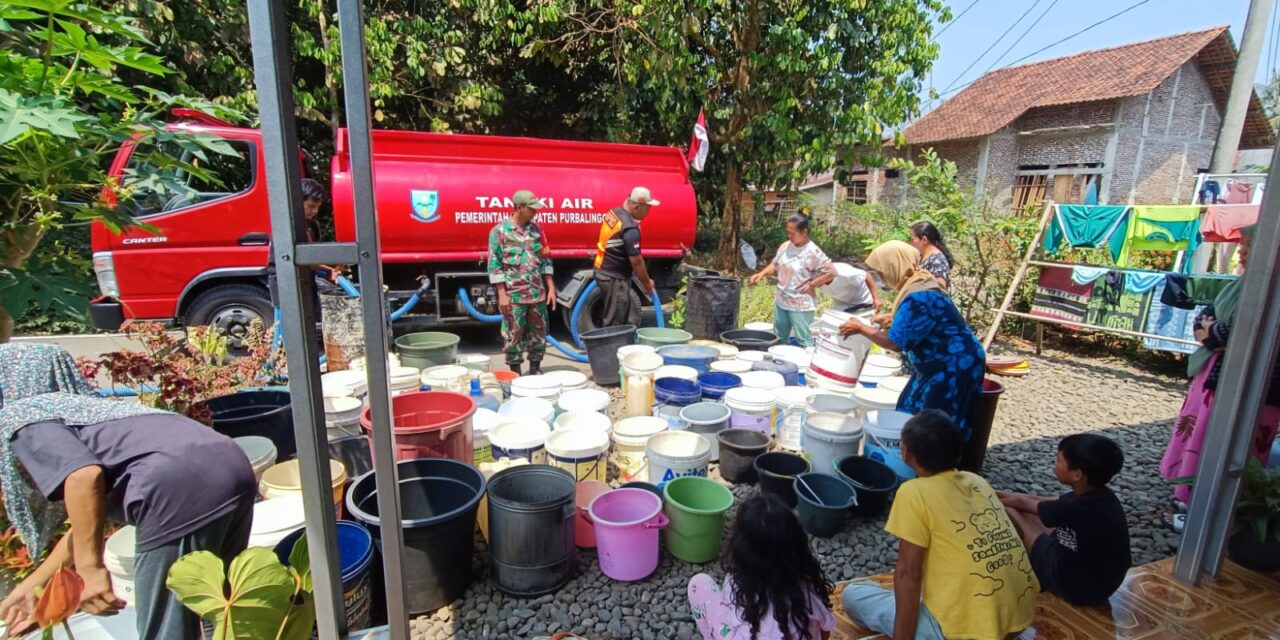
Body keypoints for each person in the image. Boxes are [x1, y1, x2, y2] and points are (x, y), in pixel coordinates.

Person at [0, 343, 257, 640]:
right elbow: (87, 518)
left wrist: (90, 569)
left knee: (166, 632)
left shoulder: (21, 417)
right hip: (228, 465)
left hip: (175, 491)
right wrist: (31, 585)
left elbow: (84, 478)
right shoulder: (84, 408)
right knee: (222, 613)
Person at [843, 410, 1037, 640]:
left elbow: (908, 573)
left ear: (905, 453)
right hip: (1018, 621)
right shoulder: (977, 482)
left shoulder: (913, 493)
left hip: (965, 633)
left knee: (854, 595)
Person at [1161, 223, 1280, 508]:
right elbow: (1204, 320)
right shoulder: (1239, 285)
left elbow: (1239, 335)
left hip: (1255, 383)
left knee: (1233, 439)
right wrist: (1212, 334)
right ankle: (1188, 492)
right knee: (1201, 432)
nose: (1240, 250)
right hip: (1214, 374)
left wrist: (1212, 335)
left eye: (1247, 246)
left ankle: (1221, 503)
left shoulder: (1270, 292)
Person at [838, 240, 985, 435]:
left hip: (954, 366)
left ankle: (935, 464)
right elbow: (923, 319)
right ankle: (914, 459)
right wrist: (892, 318)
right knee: (908, 408)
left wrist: (861, 328)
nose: (880, 277)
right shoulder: (919, 281)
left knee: (934, 427)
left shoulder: (920, 294)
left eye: (881, 271)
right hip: (936, 364)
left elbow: (895, 343)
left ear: (894, 265)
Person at [999, 434, 1131, 606]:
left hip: (1076, 585)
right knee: (1031, 513)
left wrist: (989, 499)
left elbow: (1021, 503)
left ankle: (1023, 575)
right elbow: (1038, 500)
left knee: (1011, 512)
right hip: (1102, 579)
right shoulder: (1100, 497)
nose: (1055, 464)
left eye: (1058, 460)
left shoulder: (1074, 508)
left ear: (1077, 474)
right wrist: (998, 493)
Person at [688, 493, 835, 640]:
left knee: (698, 584)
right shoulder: (808, 589)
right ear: (798, 546)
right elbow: (826, 631)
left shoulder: (737, 585)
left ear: (742, 550)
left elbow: (730, 616)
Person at [488, 189, 556, 375]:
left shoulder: (537, 230)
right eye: (531, 208)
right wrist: (502, 294)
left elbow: (546, 258)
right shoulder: (499, 232)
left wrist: (550, 287)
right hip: (514, 295)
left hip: (537, 293)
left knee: (539, 334)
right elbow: (494, 265)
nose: (536, 211)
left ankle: (535, 369)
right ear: (519, 207)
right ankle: (516, 375)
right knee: (513, 336)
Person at [748, 211, 835, 347]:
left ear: (804, 232)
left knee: (804, 340)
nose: (789, 236)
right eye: (787, 232)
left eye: (792, 233)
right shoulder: (785, 246)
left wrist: (812, 284)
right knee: (779, 338)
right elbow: (775, 265)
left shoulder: (813, 252)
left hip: (800, 304)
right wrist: (762, 273)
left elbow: (831, 272)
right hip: (782, 301)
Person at [593, 186, 659, 328]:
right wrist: (647, 283)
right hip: (615, 279)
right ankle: (611, 348)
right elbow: (636, 262)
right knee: (615, 323)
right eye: (647, 207)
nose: (649, 211)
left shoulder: (614, 213)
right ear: (636, 207)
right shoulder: (629, 227)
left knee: (611, 316)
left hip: (603, 270)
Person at [910, 221, 953, 289]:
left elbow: (940, 287)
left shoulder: (937, 260)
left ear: (924, 240)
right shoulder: (923, 257)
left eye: (912, 239)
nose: (911, 243)